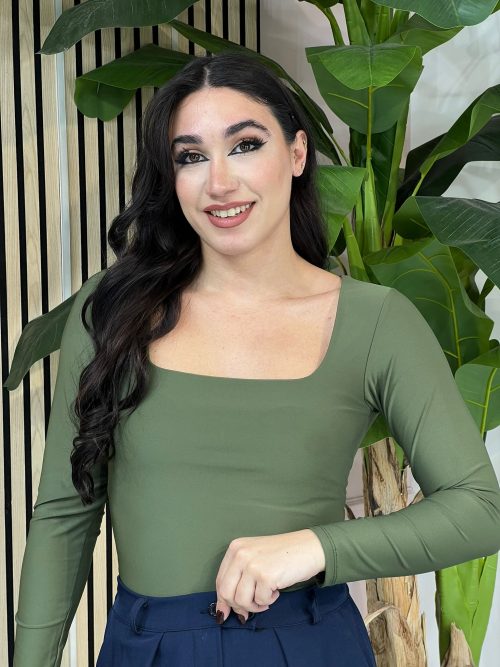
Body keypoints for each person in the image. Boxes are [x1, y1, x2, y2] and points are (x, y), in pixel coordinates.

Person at [12, 51, 500, 667]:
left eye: (244, 145)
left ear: (297, 153)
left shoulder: (376, 322)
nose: (219, 182)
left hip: (310, 645)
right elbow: (65, 514)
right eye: (191, 157)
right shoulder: (112, 312)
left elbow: (480, 508)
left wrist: (315, 548)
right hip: (150, 649)